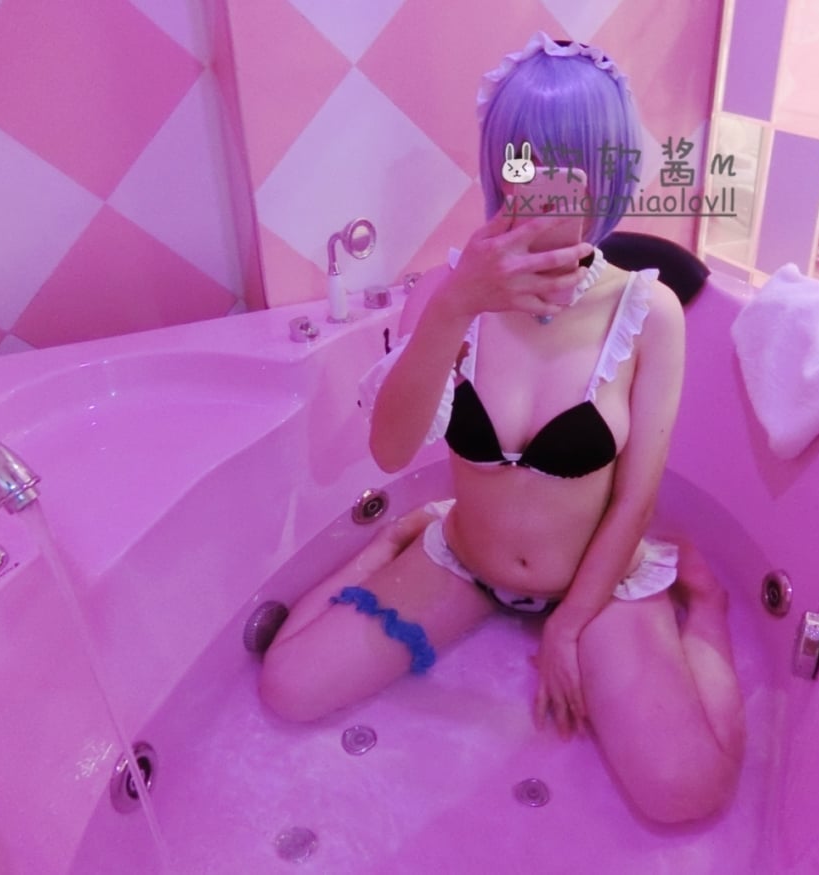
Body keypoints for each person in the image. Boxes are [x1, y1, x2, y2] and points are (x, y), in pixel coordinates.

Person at [260, 32, 745, 825]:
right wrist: (455, 306)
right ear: (497, 167)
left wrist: (569, 626)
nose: (541, 188)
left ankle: (709, 608)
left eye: (568, 167)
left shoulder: (647, 313)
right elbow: (389, 449)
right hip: (466, 559)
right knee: (287, 684)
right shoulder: (447, 296)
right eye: (521, 162)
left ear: (606, 174)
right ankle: (401, 536)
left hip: (595, 582)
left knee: (687, 790)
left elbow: (634, 498)